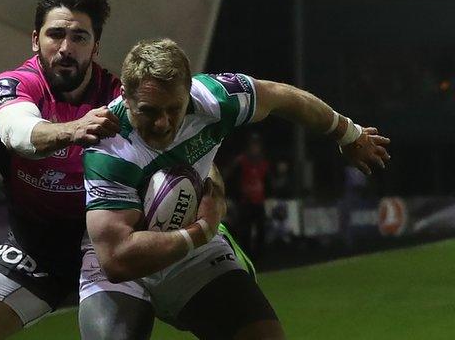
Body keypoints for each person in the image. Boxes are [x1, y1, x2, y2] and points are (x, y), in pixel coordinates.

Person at [79, 38, 390, 339]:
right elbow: (117, 259)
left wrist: (349, 133)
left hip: (192, 253)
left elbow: (282, 97)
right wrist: (203, 228)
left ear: (189, 90)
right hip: (130, 258)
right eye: (148, 110)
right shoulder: (108, 146)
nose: (162, 122)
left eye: (173, 109)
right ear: (125, 95)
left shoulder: (215, 99)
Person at [0, 0, 121, 339]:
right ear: (35, 40)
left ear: (95, 48)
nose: (65, 48)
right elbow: (18, 133)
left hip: (108, 247)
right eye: (55, 34)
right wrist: (74, 130)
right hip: (35, 252)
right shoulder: (16, 84)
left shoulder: (120, 97)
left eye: (79, 37)